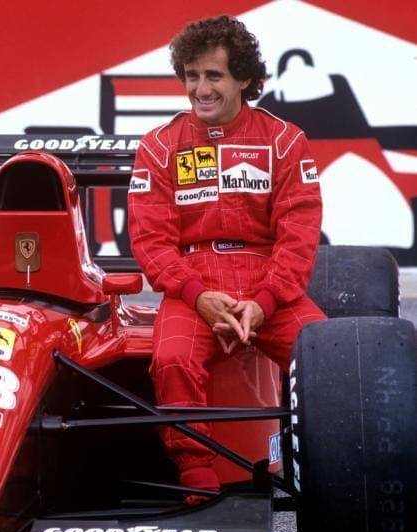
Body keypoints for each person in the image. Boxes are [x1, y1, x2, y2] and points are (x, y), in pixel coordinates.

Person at [127, 15, 326, 503]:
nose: (201, 89)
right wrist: (198, 296)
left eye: (213, 75)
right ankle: (197, 477)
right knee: (172, 359)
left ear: (244, 78)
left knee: (331, 361)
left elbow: (299, 237)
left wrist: (264, 301)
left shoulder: (284, 141)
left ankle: (334, 472)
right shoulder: (159, 147)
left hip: (268, 280)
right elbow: (151, 242)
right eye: (192, 75)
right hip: (193, 282)